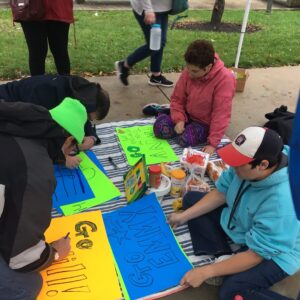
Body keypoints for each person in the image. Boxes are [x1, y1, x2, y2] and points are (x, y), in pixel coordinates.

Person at [168, 126, 300, 300]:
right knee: (191, 199)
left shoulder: (282, 201)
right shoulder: (250, 166)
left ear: (263, 165)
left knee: (231, 292)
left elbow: (256, 255)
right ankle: (223, 255)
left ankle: (226, 265)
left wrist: (206, 271)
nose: (232, 166)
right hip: (243, 222)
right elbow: (222, 191)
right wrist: (184, 216)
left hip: (276, 252)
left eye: (238, 163)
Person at [0, 98, 87, 299]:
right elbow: (20, 256)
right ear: (67, 140)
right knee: (28, 285)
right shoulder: (35, 169)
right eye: (73, 148)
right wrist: (54, 253)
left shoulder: (15, 120)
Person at [0, 74, 110, 167]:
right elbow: (34, 141)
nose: (86, 122)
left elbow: (81, 114)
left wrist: (91, 137)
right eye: (89, 118)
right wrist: (61, 157)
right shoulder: (41, 110)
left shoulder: (82, 92)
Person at [153, 40, 236, 155]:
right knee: (159, 129)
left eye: (194, 71)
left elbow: (221, 114)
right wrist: (179, 119)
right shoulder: (189, 70)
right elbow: (177, 98)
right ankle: (164, 111)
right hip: (186, 115)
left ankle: (162, 111)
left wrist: (212, 144)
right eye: (188, 68)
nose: (189, 74)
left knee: (184, 140)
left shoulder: (225, 79)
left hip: (203, 123)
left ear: (208, 67)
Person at [115, 0, 173, 87]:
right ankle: (124, 65)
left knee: (160, 41)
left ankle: (156, 76)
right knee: (155, 44)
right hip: (148, 9)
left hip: (163, 7)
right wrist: (148, 9)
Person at [18, 0, 73, 75]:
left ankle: (65, 84)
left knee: (59, 51)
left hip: (56, 8)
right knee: (38, 53)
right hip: (33, 9)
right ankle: (39, 85)